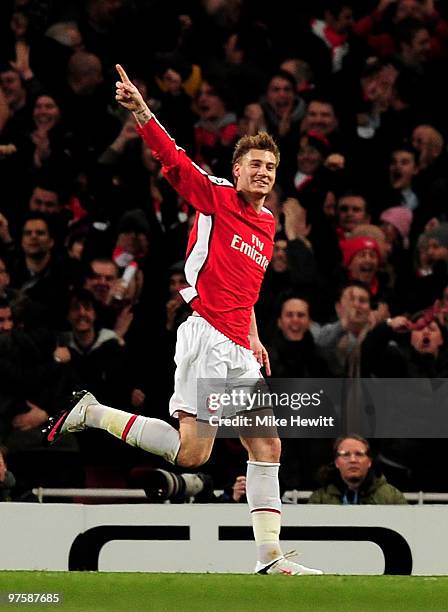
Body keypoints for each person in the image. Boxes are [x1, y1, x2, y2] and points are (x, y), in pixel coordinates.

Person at [43, 63, 322, 577]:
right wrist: (142, 110)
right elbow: (174, 160)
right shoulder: (217, 197)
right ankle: (94, 413)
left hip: (239, 343)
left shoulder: (266, 221)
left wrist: (256, 338)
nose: (262, 172)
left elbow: (249, 289)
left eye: (270, 167)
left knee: (266, 444)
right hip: (208, 337)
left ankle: (270, 558)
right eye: (254, 164)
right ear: (236, 170)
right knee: (194, 455)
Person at [308, 435, 407, 504]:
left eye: (359, 454)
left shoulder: (391, 497)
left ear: (369, 462)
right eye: (345, 455)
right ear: (336, 462)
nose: (353, 460)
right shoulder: (320, 499)